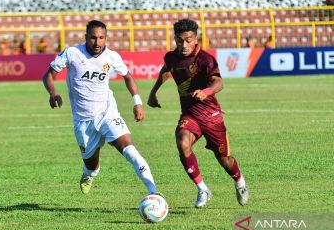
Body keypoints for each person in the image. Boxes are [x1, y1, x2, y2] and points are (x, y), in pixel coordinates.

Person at [42, 20, 159, 197]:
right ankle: (89, 174)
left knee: (131, 152)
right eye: (93, 38)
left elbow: (128, 77)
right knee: (91, 166)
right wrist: (53, 93)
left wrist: (137, 102)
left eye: (101, 38)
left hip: (107, 113)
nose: (97, 43)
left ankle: (154, 193)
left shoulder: (111, 57)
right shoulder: (72, 54)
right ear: (86, 38)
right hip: (83, 120)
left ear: (106, 38)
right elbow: (48, 75)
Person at [147, 19, 249, 208]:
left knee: (224, 160)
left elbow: (219, 83)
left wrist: (206, 92)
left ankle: (240, 182)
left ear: (195, 39)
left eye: (188, 40)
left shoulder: (205, 59)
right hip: (190, 115)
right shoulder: (171, 57)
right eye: (179, 40)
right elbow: (166, 69)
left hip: (211, 116)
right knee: (182, 143)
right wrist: (154, 92)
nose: (183, 45)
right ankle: (203, 189)